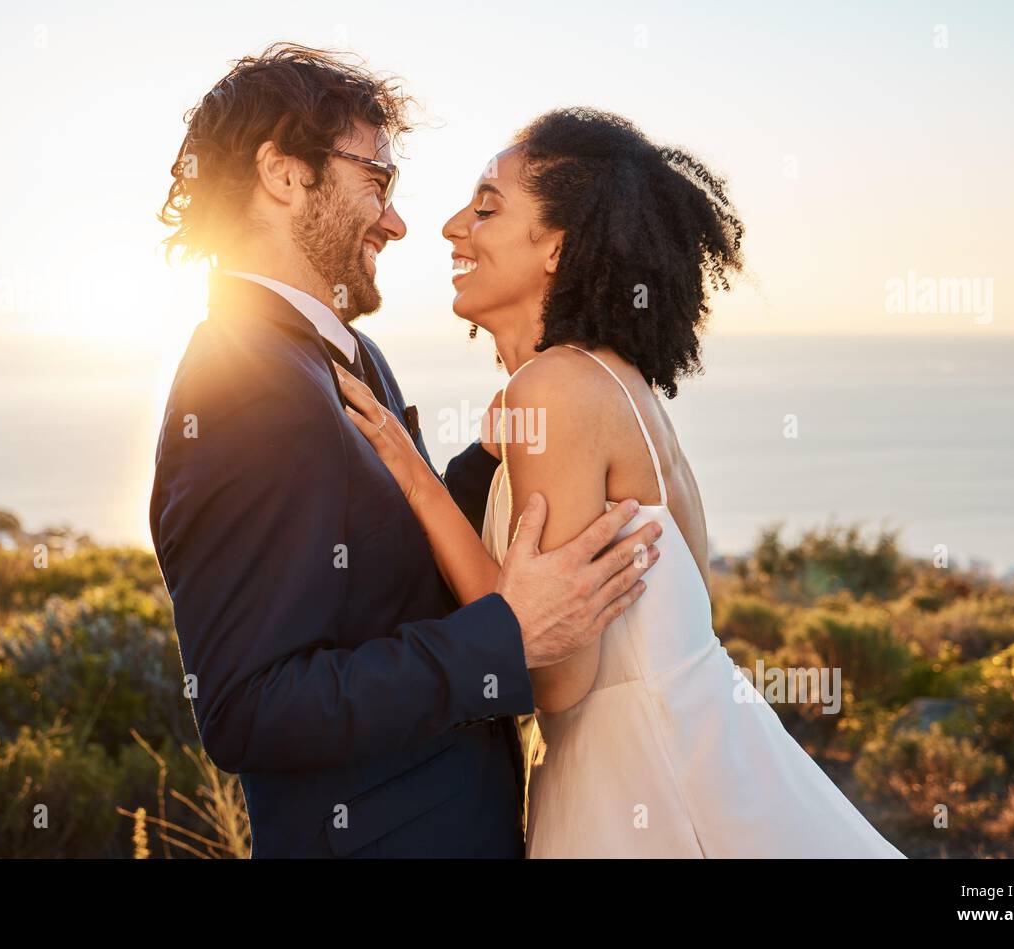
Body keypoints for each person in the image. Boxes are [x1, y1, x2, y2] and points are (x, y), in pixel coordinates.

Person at [341, 107, 906, 858]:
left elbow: (555, 674)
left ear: (559, 247)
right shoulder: (608, 384)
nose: (451, 226)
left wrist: (414, 478)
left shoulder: (557, 389)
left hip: (643, 792)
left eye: (486, 206)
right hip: (694, 762)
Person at [150, 48, 661, 858]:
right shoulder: (239, 385)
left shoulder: (353, 355)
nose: (396, 220)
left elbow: (375, 560)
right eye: (377, 183)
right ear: (283, 175)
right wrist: (505, 637)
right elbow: (249, 706)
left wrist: (487, 464)